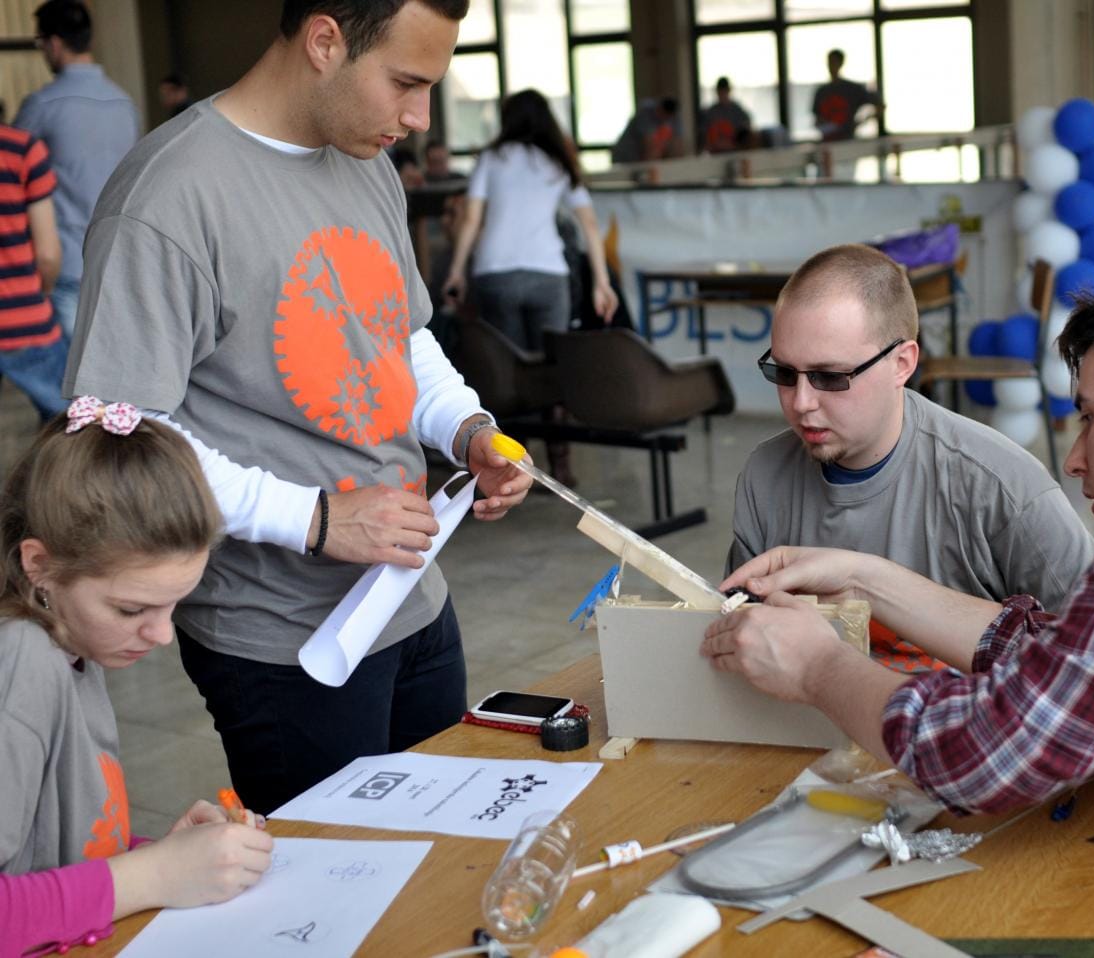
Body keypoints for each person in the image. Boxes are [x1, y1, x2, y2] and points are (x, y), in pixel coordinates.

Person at [705, 273, 1094, 954]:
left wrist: (820, 668)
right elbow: (1063, 649)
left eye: (1089, 416)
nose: (1072, 459)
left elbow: (989, 751)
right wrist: (861, 574)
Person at [64, 0, 533, 815]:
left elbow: (400, 335)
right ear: (324, 42)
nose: (419, 118)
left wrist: (465, 427)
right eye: (405, 83)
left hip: (412, 599)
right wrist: (316, 520)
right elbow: (122, 434)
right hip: (283, 638)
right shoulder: (169, 195)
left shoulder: (365, 157)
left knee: (442, 858)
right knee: (341, 899)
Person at [729, 244, 1094, 672]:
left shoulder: (1004, 489)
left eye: (830, 376)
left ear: (902, 363)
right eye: (785, 373)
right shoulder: (764, 476)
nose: (802, 402)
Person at [0, 400, 274, 957]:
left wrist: (159, 857)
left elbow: (48, 854)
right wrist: (148, 876)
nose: (161, 635)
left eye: (174, 605)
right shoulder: (20, 659)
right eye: (131, 610)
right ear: (39, 565)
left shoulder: (70, 634)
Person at [444, 88, 618, 351]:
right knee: (550, 366)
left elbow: (471, 219)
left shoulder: (491, 158)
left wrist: (456, 271)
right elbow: (590, 225)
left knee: (507, 368)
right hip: (547, 272)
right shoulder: (558, 161)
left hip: (494, 271)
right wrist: (602, 283)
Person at [14, 0, 139, 336]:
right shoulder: (124, 103)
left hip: (66, 265)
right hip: (116, 262)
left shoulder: (41, 107)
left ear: (53, 43)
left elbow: (9, 178)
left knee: (67, 383)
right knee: (109, 381)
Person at [0, 121, 66, 422]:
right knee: (69, 425)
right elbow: (48, 255)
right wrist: (43, 290)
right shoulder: (21, 149)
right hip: (24, 316)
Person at [812, 48, 881, 142]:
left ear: (841, 64)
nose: (831, 66)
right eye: (829, 62)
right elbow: (817, 117)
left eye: (834, 62)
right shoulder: (821, 91)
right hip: (827, 143)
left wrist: (861, 122)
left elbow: (880, 105)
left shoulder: (852, 89)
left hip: (847, 141)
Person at [611, 97, 682, 164]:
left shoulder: (674, 118)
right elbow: (649, 144)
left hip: (643, 160)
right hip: (625, 158)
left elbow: (677, 143)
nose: (663, 119)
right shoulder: (646, 112)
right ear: (659, 108)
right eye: (662, 115)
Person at [701, 77, 751, 154]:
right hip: (715, 153)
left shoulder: (737, 111)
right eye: (720, 91)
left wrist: (735, 143)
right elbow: (705, 137)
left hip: (734, 152)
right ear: (717, 92)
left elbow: (745, 131)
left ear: (729, 91)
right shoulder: (711, 112)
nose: (722, 94)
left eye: (724, 91)